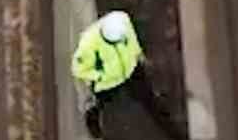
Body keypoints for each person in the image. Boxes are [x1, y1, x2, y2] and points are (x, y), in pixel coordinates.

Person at [70, 9, 174, 138]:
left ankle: (168, 126)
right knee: (99, 106)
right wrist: (100, 76)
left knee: (148, 98)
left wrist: (138, 54)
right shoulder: (88, 43)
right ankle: (95, 129)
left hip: (131, 69)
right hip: (108, 83)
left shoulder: (122, 21)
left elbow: (131, 37)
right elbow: (79, 69)